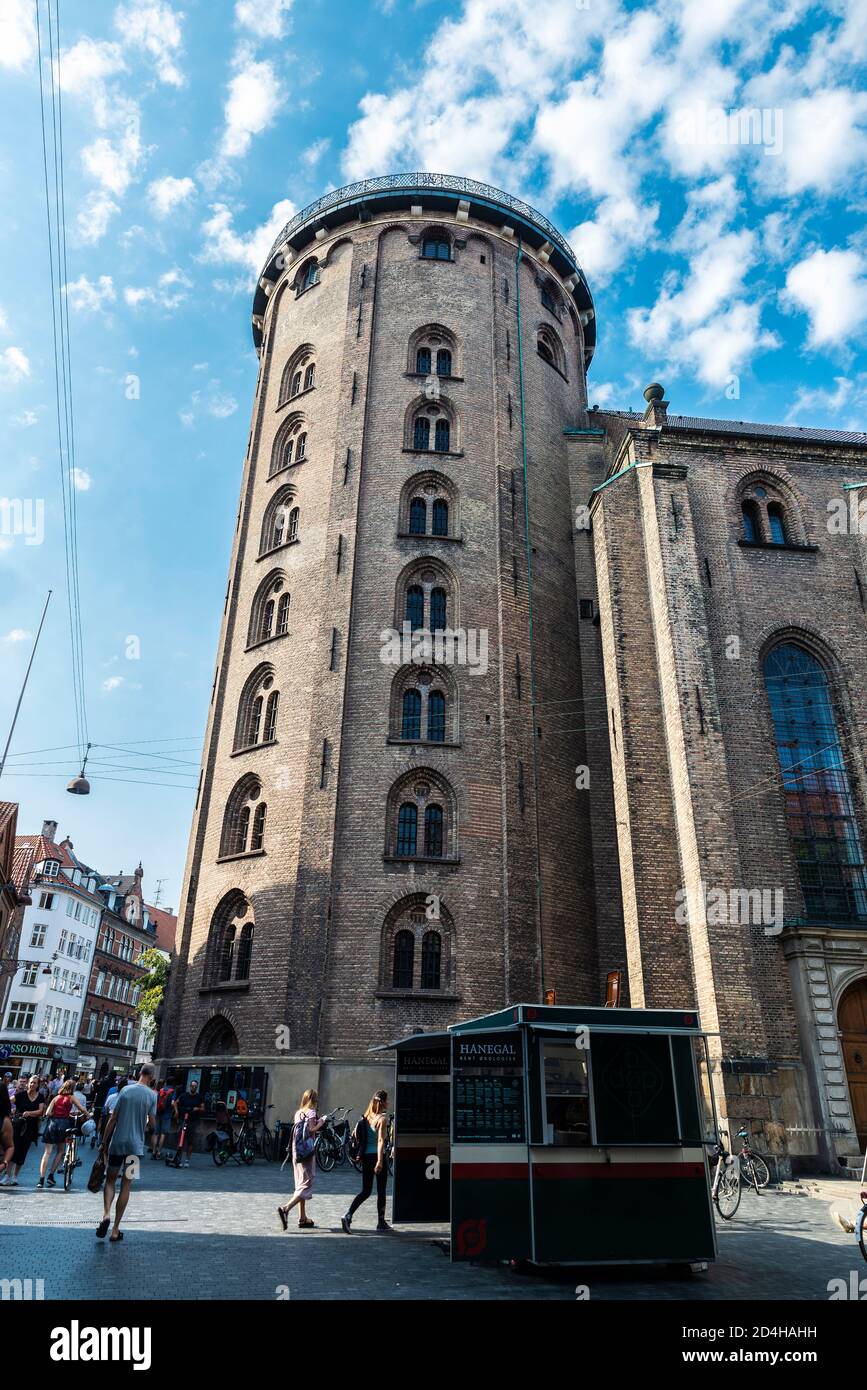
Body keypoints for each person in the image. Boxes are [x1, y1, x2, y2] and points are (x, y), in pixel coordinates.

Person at [97, 1063, 157, 1242]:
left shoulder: (125, 1091)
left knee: (110, 1181)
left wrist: (104, 1141)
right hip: (135, 1148)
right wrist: (144, 1128)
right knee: (126, 1184)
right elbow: (153, 1125)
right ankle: (115, 1229)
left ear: (139, 1073)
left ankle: (106, 1214)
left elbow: (113, 1118)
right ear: (152, 1077)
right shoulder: (152, 1096)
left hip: (118, 1143)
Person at [342, 1090, 391, 1234]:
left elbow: (355, 1135)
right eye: (387, 1100)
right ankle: (381, 1222)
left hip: (366, 1157)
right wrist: (380, 1161)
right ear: (382, 1102)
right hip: (377, 1157)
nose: (389, 1102)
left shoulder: (367, 1117)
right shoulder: (382, 1119)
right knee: (381, 1191)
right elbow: (381, 1141)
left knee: (366, 1190)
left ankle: (348, 1215)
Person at [277, 1088, 325, 1232]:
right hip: (307, 1152)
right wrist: (321, 1122)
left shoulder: (298, 1113)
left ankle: (302, 1218)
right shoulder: (311, 1112)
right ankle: (285, 1209)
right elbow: (311, 1130)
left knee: (300, 1183)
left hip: (297, 1151)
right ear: (314, 1100)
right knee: (306, 1183)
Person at [37, 1080, 87, 1188]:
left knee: (47, 1152)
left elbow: (48, 1113)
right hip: (64, 1124)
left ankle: (41, 1179)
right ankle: (51, 1176)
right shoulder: (71, 1097)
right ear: (72, 1088)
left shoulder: (56, 1098)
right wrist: (87, 1114)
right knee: (60, 1151)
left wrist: (56, 1113)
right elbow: (81, 1108)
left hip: (52, 1124)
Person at [7, 1077, 45, 1185]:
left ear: (38, 1085)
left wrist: (29, 1113)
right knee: (14, 1149)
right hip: (18, 1126)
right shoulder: (21, 1095)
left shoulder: (40, 1097)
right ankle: (8, 1176)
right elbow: (8, 1101)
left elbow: (41, 1111)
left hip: (30, 1128)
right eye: (31, 1082)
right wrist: (9, 1110)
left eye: (35, 1083)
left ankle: (15, 1176)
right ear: (28, 1084)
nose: (32, 1084)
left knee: (23, 1151)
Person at [173, 1080, 205, 1166]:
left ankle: (187, 1159)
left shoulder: (199, 1097)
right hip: (183, 1120)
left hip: (193, 1121)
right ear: (190, 1086)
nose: (193, 1087)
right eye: (192, 1086)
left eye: (195, 1086)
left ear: (197, 1087)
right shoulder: (184, 1095)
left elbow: (203, 1108)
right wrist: (176, 1112)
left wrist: (197, 1109)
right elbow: (175, 1103)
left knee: (191, 1141)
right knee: (181, 1140)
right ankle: (178, 1157)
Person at [150, 1076, 177, 1159]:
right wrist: (175, 1111)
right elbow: (173, 1103)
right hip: (167, 1114)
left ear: (166, 1082)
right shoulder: (173, 1091)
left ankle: (154, 1151)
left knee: (156, 1133)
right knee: (163, 1134)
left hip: (158, 1113)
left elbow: (156, 1101)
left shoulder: (161, 1090)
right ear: (173, 1083)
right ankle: (159, 1152)